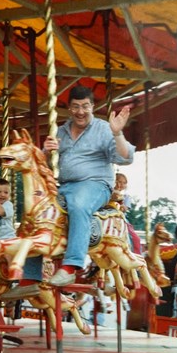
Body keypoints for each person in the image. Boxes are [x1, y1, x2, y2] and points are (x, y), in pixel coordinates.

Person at [43, 85, 135, 287]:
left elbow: (125, 158)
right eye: (76, 106)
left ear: (92, 106)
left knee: (79, 204)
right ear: (69, 108)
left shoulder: (103, 129)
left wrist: (118, 133)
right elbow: (46, 165)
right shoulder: (61, 131)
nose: (80, 112)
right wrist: (46, 152)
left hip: (95, 184)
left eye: (85, 106)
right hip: (65, 186)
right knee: (39, 212)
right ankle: (30, 276)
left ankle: (71, 266)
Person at [112, 172, 142, 254]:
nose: (121, 184)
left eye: (124, 183)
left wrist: (121, 206)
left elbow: (125, 208)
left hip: (120, 218)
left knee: (136, 239)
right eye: (118, 181)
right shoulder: (108, 193)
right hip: (106, 216)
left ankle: (137, 257)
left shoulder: (126, 197)